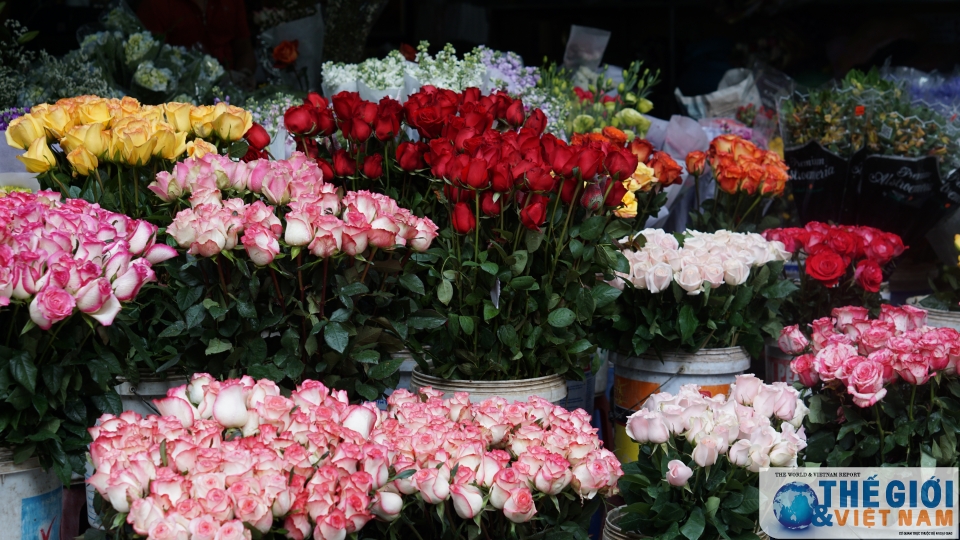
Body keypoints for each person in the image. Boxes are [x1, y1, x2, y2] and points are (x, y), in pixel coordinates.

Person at [137, 0, 257, 88]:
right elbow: (150, 67)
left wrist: (243, 76)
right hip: (182, 98)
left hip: (234, 95)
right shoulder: (156, 5)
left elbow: (245, 51)